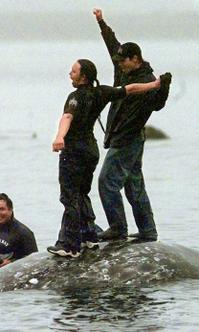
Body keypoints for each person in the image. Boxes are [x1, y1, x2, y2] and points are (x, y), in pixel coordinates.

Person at [47, 59, 166, 258]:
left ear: (83, 76)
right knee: (83, 192)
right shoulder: (101, 92)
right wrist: (154, 85)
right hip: (91, 150)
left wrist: (60, 136)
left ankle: (69, 245)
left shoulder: (75, 97)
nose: (70, 74)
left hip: (74, 151)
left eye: (74, 71)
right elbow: (130, 89)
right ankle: (89, 237)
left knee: (69, 196)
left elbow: (67, 116)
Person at [93, 8, 172, 242]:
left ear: (135, 59)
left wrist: (164, 87)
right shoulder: (122, 66)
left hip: (128, 139)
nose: (120, 65)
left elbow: (157, 106)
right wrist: (101, 22)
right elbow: (112, 43)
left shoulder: (148, 81)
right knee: (134, 185)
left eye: (123, 62)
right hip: (126, 138)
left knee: (107, 181)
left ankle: (117, 227)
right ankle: (148, 231)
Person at [0, 193, 38, 274]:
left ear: (10, 210)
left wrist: (12, 264)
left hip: (18, 276)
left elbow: (34, 261)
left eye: (2, 209)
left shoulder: (24, 232)